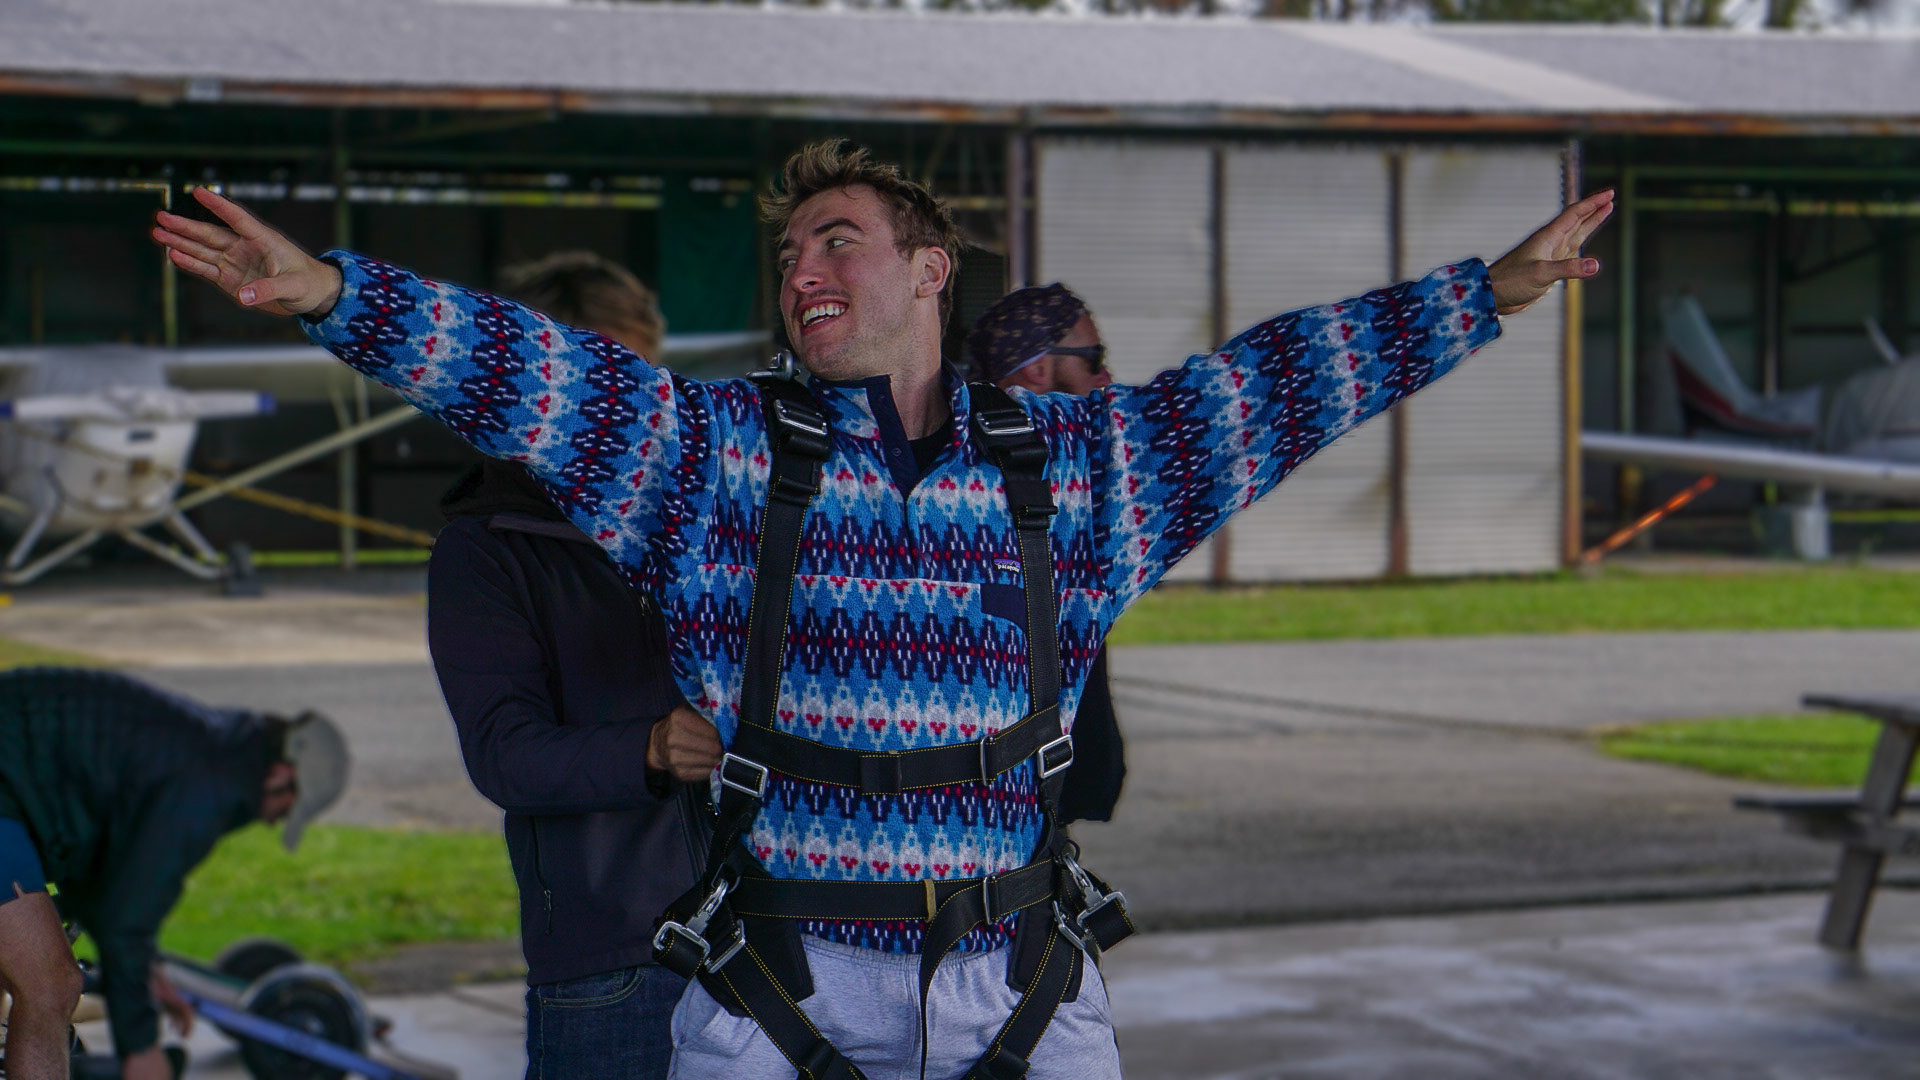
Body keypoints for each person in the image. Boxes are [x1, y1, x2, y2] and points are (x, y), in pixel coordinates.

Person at [152, 139, 1611, 1079]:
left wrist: (1484, 293)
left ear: (928, 270)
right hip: (777, 987)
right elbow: (535, 376)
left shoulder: (1081, 471)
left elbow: (1279, 386)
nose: (803, 270)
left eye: (836, 240)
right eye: (789, 255)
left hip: (1019, 981)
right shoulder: (712, 461)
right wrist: (332, 293)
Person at [428, 250, 718, 1080]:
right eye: (586, 374)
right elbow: (505, 755)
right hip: (616, 962)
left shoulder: (713, 507)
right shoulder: (485, 549)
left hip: (776, 940)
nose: (614, 399)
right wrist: (651, 748)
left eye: (633, 373)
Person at [0, 668, 346, 1080]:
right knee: (50, 987)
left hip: (15, 794)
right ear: (281, 775)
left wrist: (144, 971)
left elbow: (108, 880)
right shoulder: (203, 788)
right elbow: (126, 920)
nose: (273, 822)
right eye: (286, 810)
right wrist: (141, 1051)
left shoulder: (205, 748)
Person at [967, 284, 1124, 824]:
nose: (1106, 378)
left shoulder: (1071, 469)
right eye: (1092, 359)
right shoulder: (987, 487)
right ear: (1036, 367)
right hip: (1010, 803)